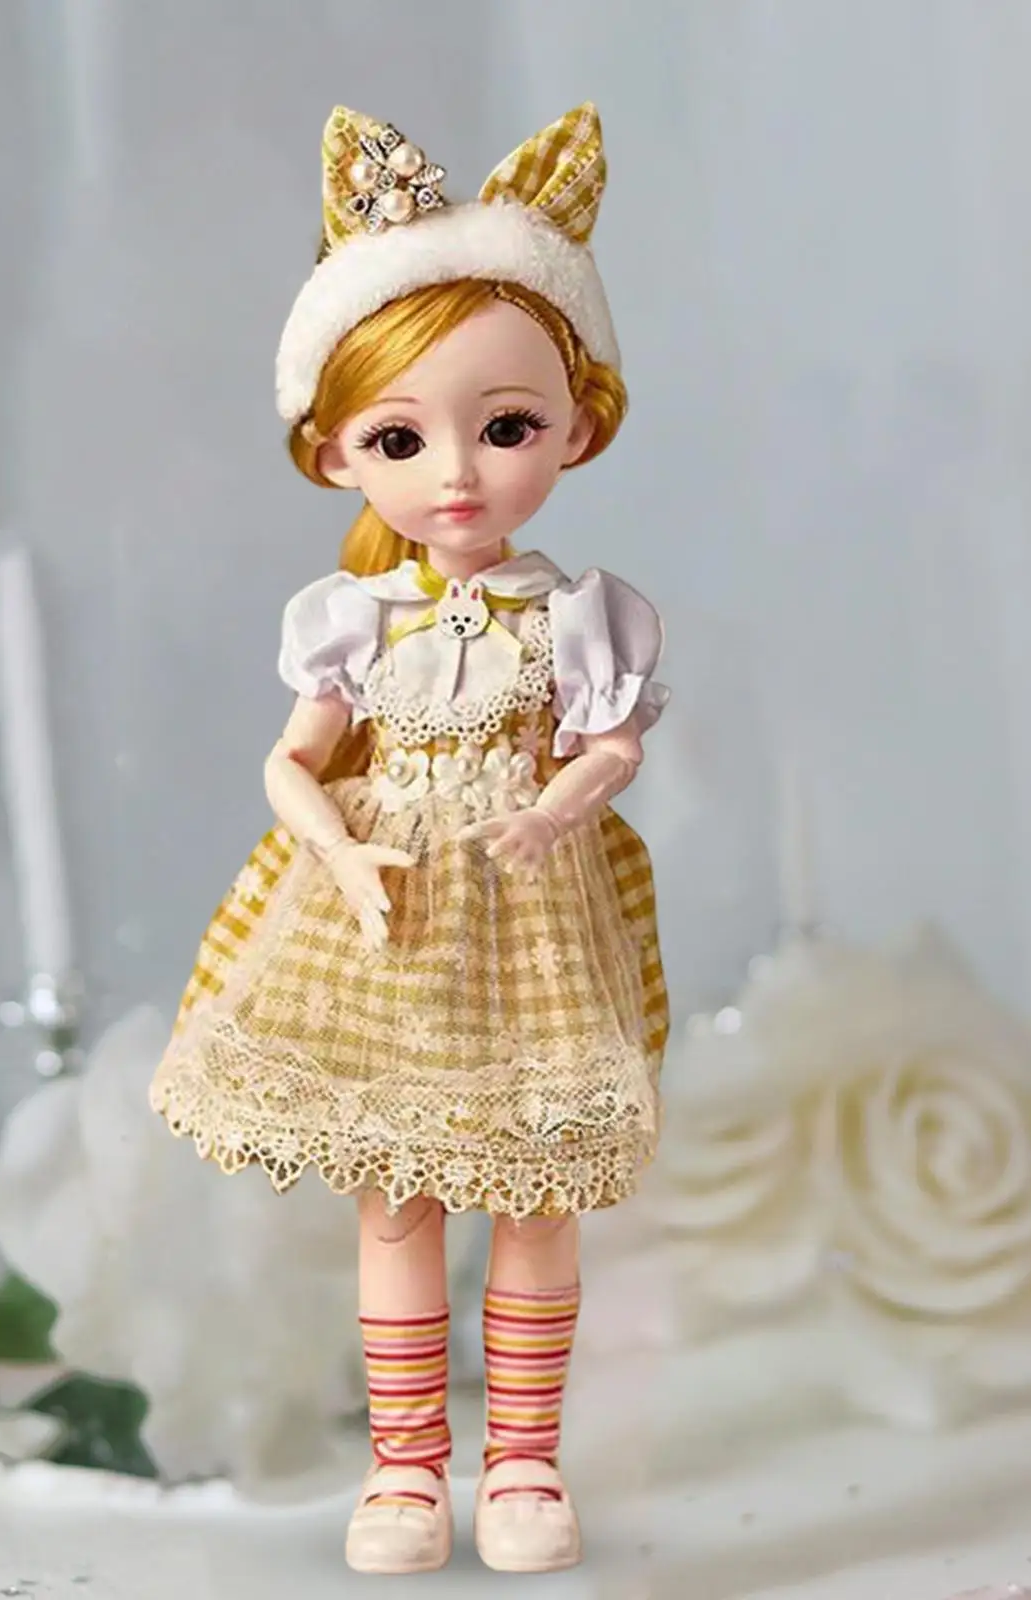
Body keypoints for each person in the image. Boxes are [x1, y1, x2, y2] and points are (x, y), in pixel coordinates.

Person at [149, 102, 670, 1575]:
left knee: (537, 1191)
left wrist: (565, 798)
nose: (458, 473)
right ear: (335, 454)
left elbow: (613, 744)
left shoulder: (580, 614)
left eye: (506, 427)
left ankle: (525, 1464)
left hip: (529, 921)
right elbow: (291, 761)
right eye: (400, 435)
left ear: (577, 426)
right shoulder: (351, 622)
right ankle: (403, 1471)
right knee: (397, 1197)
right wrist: (338, 849)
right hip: (388, 921)